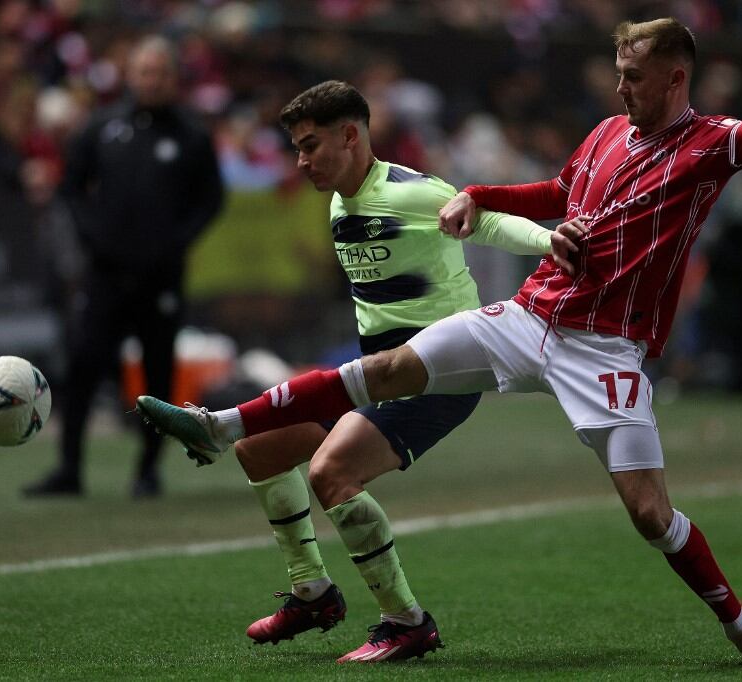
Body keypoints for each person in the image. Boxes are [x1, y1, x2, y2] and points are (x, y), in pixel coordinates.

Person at [137, 18, 742, 667]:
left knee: (651, 515)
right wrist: (477, 196)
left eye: (633, 76)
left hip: (604, 348)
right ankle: (218, 426)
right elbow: (554, 192)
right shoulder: (605, 133)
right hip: (528, 316)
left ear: (675, 76)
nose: (620, 88)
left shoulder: (710, 141)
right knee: (387, 367)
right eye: (620, 74)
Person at [188, 80, 552, 663]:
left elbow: (484, 220)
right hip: (374, 375)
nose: (301, 161)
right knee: (259, 451)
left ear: (351, 136)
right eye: (297, 148)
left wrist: (550, 239)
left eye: (310, 146)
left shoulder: (412, 192)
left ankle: (406, 622)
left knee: (330, 474)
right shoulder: (339, 201)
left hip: (438, 374)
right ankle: (313, 594)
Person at [24, 35, 224, 498]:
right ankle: (69, 469)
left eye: (160, 72)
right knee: (83, 362)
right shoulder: (102, 127)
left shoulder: (191, 135)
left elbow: (211, 198)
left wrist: (179, 240)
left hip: (161, 276)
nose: (151, 80)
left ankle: (148, 470)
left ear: (174, 78)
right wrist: (94, 236)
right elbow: (70, 188)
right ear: (130, 76)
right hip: (106, 273)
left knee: (157, 374)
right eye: (144, 71)